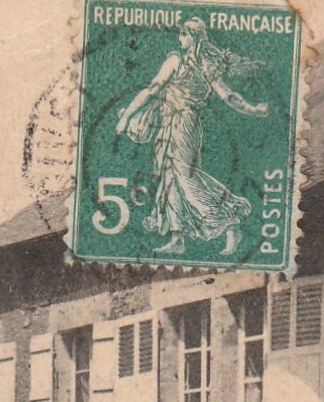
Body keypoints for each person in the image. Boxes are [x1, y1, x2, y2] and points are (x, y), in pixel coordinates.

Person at [115, 18, 270, 256]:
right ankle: (177, 238)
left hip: (183, 124)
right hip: (171, 125)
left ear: (193, 37)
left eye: (183, 35)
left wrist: (126, 117)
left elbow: (152, 89)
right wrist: (254, 109)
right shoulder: (205, 66)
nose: (180, 39)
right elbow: (230, 97)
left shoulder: (179, 61)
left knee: (185, 178)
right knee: (170, 180)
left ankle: (229, 223)